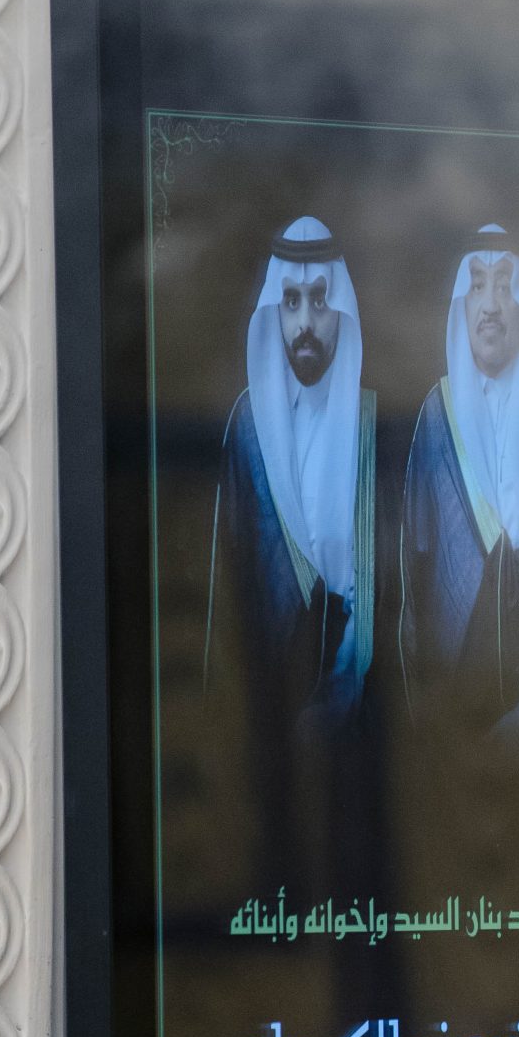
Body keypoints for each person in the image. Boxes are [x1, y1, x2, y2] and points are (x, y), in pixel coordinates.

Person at [397, 224, 519, 736]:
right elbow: (416, 578)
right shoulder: (437, 415)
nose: (491, 305)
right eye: (477, 285)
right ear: (462, 303)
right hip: (452, 711)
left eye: (505, 286)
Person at [205, 217, 376, 724]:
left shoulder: (371, 424)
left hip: (358, 698)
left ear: (341, 310)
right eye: (291, 302)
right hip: (268, 701)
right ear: (274, 310)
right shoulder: (248, 426)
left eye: (320, 301)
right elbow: (230, 580)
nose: (304, 322)